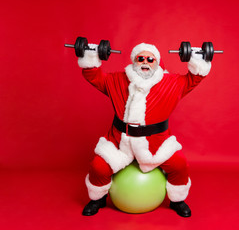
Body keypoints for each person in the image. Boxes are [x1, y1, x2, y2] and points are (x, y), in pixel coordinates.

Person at [78, 42, 211, 217]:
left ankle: (177, 201)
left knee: (179, 165)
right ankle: (98, 199)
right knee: (98, 166)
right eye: (141, 59)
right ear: (134, 61)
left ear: (157, 62)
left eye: (150, 59)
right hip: (119, 141)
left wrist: (197, 57)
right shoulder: (117, 80)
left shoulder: (172, 83)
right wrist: (90, 54)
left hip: (156, 143)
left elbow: (195, 77)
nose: (145, 63)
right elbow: (93, 75)